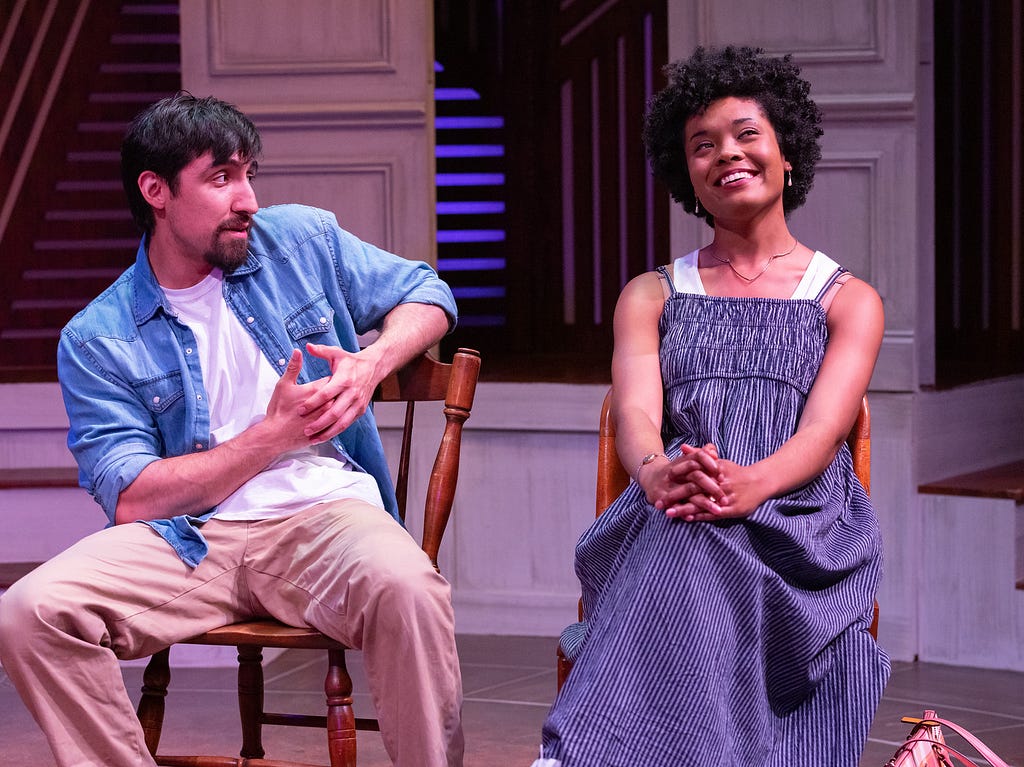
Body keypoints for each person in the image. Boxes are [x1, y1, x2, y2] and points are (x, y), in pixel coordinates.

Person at [0, 93, 464, 767]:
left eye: (248, 173)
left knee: (411, 590)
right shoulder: (98, 338)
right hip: (189, 539)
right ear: (155, 191)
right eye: (221, 178)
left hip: (323, 516)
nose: (246, 197)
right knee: (30, 612)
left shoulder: (300, 241)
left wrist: (370, 364)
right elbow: (132, 497)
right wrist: (269, 436)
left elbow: (428, 293)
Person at [533, 46, 890, 766]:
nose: (727, 152)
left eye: (746, 133)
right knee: (694, 529)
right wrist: (656, 470)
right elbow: (634, 412)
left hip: (800, 521)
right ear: (686, 174)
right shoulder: (652, 294)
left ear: (787, 152)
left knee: (707, 533)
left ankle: (576, 756)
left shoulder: (848, 299)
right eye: (702, 145)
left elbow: (826, 428)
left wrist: (752, 483)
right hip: (678, 500)